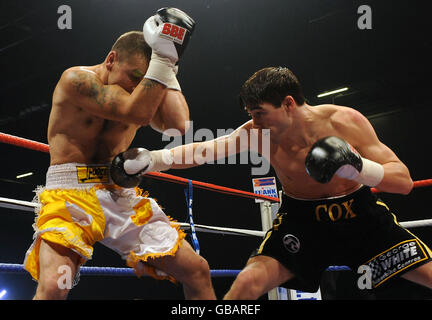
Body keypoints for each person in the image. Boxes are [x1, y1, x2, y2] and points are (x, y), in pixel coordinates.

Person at [111, 66, 432, 299]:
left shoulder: (344, 121)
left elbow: (402, 182)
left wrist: (357, 167)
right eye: (251, 114)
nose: (254, 122)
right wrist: (153, 159)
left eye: (261, 113)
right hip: (302, 222)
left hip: (363, 219)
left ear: (289, 103)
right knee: (246, 285)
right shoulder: (256, 132)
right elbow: (204, 150)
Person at [23, 8, 216, 300]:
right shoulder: (76, 80)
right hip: (69, 195)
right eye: (134, 77)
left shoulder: (144, 87)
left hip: (119, 193)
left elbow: (178, 125)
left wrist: (169, 64)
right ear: (111, 60)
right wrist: (161, 62)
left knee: (197, 270)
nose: (139, 88)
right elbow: (135, 110)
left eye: (144, 81)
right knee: (54, 286)